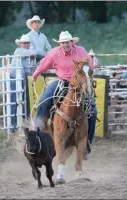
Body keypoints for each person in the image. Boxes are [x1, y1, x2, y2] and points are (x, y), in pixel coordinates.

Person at [32, 30, 97, 158]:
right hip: (62, 81)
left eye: (67, 42)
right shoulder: (55, 53)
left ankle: (87, 143)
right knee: (45, 99)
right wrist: (35, 74)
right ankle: (37, 130)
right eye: (63, 43)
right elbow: (45, 63)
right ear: (60, 44)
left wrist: (89, 73)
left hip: (78, 84)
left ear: (72, 42)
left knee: (93, 110)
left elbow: (89, 65)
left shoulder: (81, 51)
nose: (65, 45)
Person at [9, 34, 38, 132]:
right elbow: (36, 52)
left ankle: (22, 125)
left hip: (22, 80)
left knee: (23, 102)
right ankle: (12, 127)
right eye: (24, 43)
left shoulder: (26, 55)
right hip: (13, 80)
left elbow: (28, 70)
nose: (26, 45)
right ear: (20, 44)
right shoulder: (19, 51)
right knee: (13, 103)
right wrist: (34, 53)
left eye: (27, 43)